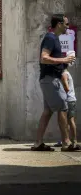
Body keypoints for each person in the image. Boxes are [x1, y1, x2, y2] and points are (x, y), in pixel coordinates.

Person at [31, 14, 76, 152]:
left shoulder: (54, 38)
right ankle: (66, 143)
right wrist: (64, 60)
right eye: (66, 24)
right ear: (59, 24)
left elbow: (51, 60)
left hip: (48, 79)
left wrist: (65, 63)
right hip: (51, 80)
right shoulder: (50, 37)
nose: (68, 27)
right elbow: (44, 58)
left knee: (48, 111)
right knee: (63, 107)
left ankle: (38, 143)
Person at [61, 64, 80, 150]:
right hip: (71, 99)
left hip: (68, 100)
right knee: (69, 120)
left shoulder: (64, 74)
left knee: (68, 121)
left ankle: (72, 141)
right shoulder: (68, 73)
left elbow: (66, 88)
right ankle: (72, 140)